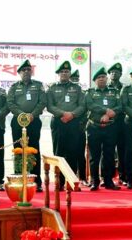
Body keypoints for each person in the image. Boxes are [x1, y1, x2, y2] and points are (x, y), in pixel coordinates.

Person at [7, 60, 47, 192]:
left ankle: (36, 181)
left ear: (31, 72)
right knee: (18, 149)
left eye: (28, 70)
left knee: (34, 148)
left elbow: (42, 102)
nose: (26, 72)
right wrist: (23, 115)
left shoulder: (38, 85)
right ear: (19, 73)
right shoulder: (13, 87)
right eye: (23, 70)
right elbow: (10, 103)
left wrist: (32, 115)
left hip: (34, 121)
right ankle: (19, 177)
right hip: (18, 122)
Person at [47, 61, 85, 191]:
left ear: (70, 73)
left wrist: (72, 115)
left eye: (67, 72)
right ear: (58, 74)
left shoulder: (77, 88)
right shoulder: (52, 88)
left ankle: (71, 181)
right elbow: (50, 106)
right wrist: (63, 114)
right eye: (62, 72)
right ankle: (59, 182)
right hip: (58, 122)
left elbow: (82, 105)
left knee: (73, 153)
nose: (64, 73)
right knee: (58, 153)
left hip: (73, 122)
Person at [85, 67, 122, 191]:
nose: (101, 79)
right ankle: (95, 181)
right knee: (94, 156)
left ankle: (108, 181)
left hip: (110, 127)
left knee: (109, 155)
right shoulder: (90, 92)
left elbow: (120, 106)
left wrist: (110, 114)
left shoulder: (114, 91)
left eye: (103, 77)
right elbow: (90, 105)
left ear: (107, 78)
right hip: (94, 127)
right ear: (95, 80)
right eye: (99, 78)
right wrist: (105, 111)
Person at [107, 62, 126, 185]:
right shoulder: (104, 86)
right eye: (112, 72)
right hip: (108, 122)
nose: (114, 74)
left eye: (117, 72)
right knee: (108, 151)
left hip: (122, 122)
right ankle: (107, 176)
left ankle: (123, 177)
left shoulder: (125, 88)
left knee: (122, 150)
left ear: (121, 74)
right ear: (109, 74)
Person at [70, 70, 89, 186]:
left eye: (77, 79)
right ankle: (70, 176)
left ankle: (82, 177)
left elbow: (87, 110)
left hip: (80, 128)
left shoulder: (83, 93)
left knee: (80, 154)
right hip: (67, 126)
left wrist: (82, 124)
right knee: (68, 153)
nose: (75, 81)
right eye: (73, 79)